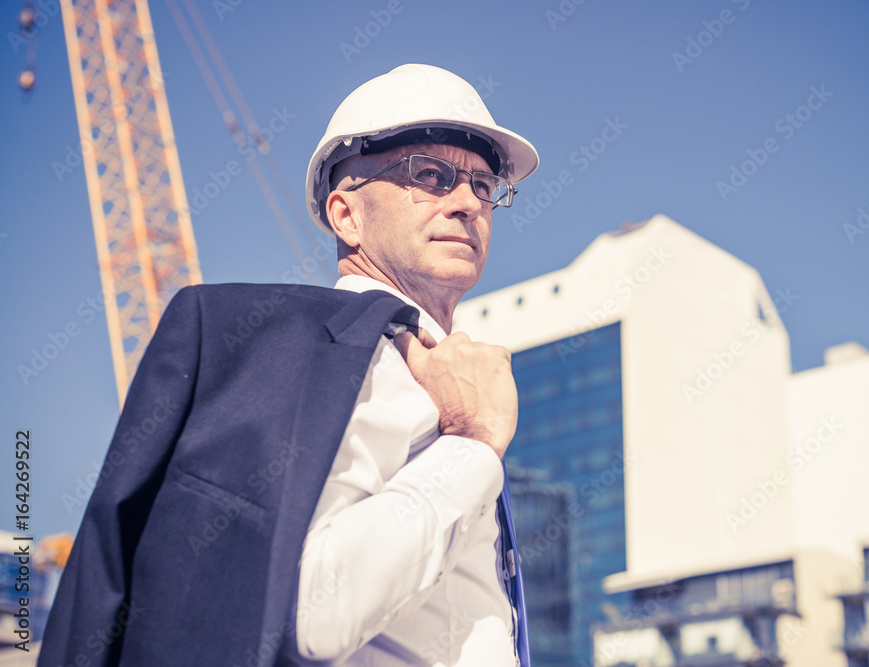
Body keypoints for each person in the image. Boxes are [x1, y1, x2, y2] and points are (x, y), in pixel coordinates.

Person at [38, 63, 539, 667]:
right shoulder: (304, 353)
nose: (467, 203)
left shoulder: (453, 375)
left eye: (484, 187)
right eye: (430, 175)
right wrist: (474, 444)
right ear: (345, 215)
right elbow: (309, 612)